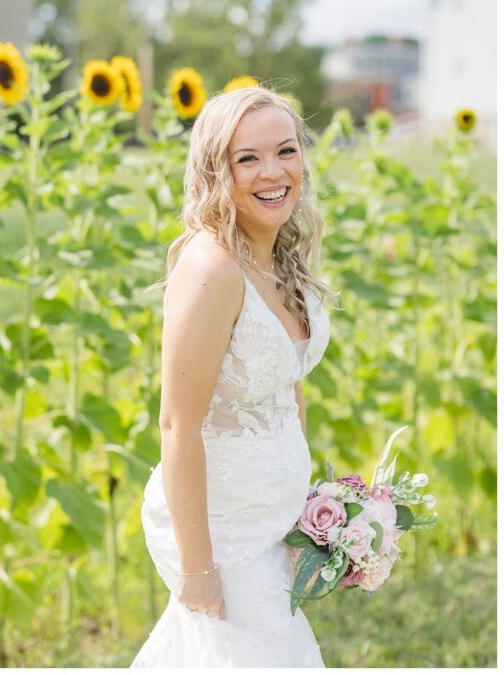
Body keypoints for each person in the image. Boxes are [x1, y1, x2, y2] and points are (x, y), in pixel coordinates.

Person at [132, 87, 335, 667]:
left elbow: (286, 384)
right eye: (248, 158)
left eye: (286, 151)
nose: (273, 172)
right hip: (222, 533)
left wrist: (308, 517)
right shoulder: (212, 267)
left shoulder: (277, 257)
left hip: (270, 523)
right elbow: (177, 424)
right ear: (216, 170)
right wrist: (198, 571)